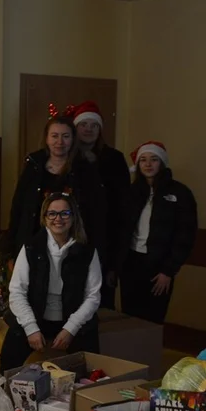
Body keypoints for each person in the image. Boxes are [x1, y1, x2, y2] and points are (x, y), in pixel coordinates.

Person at [1, 192, 103, 372]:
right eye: (52, 214)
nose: (58, 219)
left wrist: (70, 329)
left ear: (73, 217)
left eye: (65, 213)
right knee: (9, 363)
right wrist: (31, 328)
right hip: (35, 316)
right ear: (45, 217)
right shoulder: (31, 247)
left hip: (71, 320)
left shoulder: (87, 250)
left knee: (89, 371)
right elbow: (17, 292)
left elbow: (92, 296)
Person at [6, 114, 107, 266]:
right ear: (46, 139)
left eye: (65, 136)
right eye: (54, 136)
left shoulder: (85, 169)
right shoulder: (33, 166)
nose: (59, 142)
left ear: (73, 139)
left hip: (74, 248)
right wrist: (12, 250)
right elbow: (18, 208)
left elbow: (96, 214)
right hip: (34, 245)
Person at [117, 141, 198, 325]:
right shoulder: (131, 192)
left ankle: (148, 353)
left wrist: (168, 271)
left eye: (154, 159)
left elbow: (185, 235)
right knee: (129, 318)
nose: (148, 164)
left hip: (159, 267)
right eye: (143, 160)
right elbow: (121, 230)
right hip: (131, 263)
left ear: (162, 162)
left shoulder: (180, 193)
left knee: (153, 319)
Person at [71, 101, 129, 310]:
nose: (88, 129)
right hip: (72, 242)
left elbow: (122, 211)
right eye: (83, 124)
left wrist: (115, 262)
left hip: (105, 243)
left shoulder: (114, 159)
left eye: (93, 125)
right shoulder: (66, 159)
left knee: (101, 306)